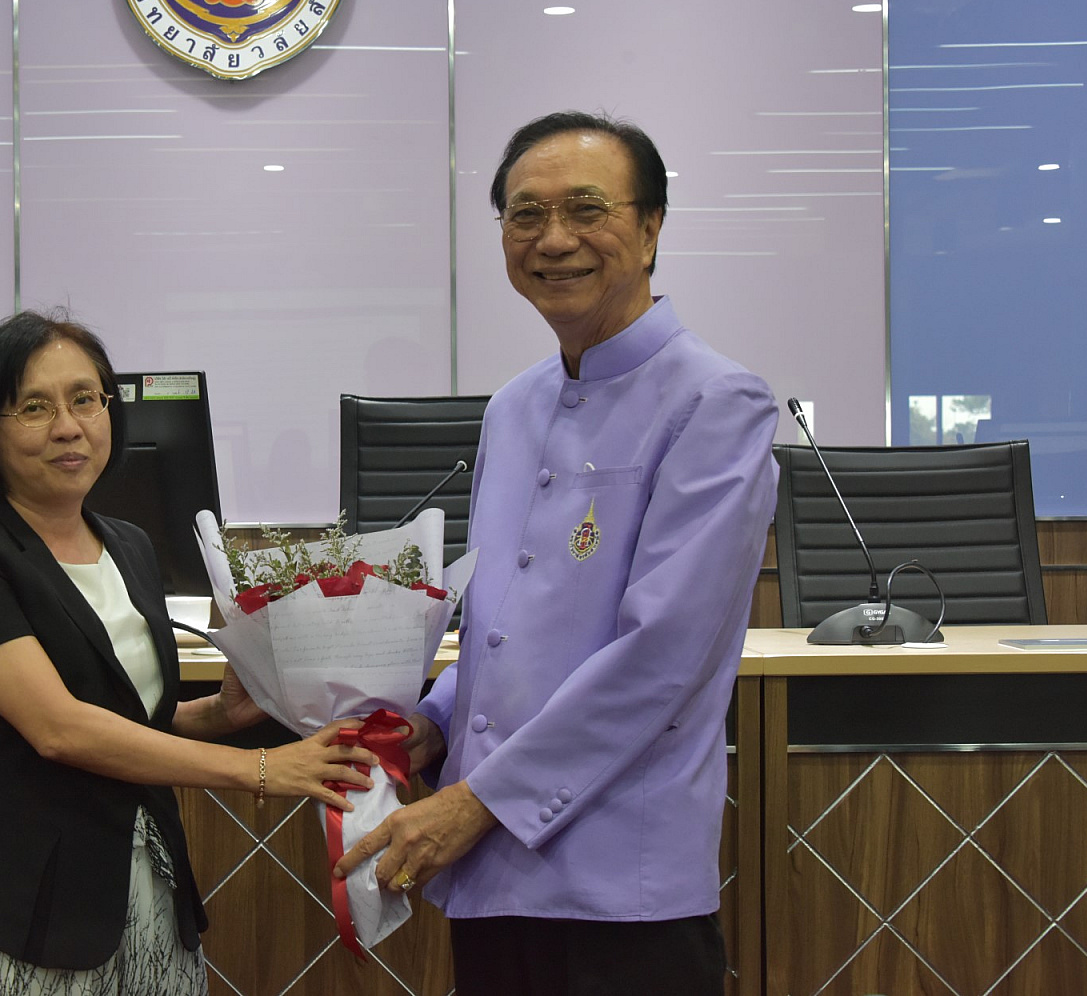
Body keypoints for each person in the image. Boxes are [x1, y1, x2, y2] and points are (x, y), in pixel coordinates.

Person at [334, 110, 779, 995]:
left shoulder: (716, 402)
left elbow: (661, 657)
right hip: (491, 876)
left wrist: (477, 801)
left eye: (586, 209)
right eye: (526, 215)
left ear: (650, 229)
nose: (554, 239)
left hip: (621, 882)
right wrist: (432, 722)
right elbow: (501, 630)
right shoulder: (514, 407)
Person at [0, 310, 375, 995]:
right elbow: (60, 729)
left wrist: (218, 713)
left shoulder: (128, 545)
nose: (69, 426)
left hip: (152, 895)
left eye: (85, 399)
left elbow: (127, 718)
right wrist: (259, 769)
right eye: (34, 407)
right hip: (29, 918)